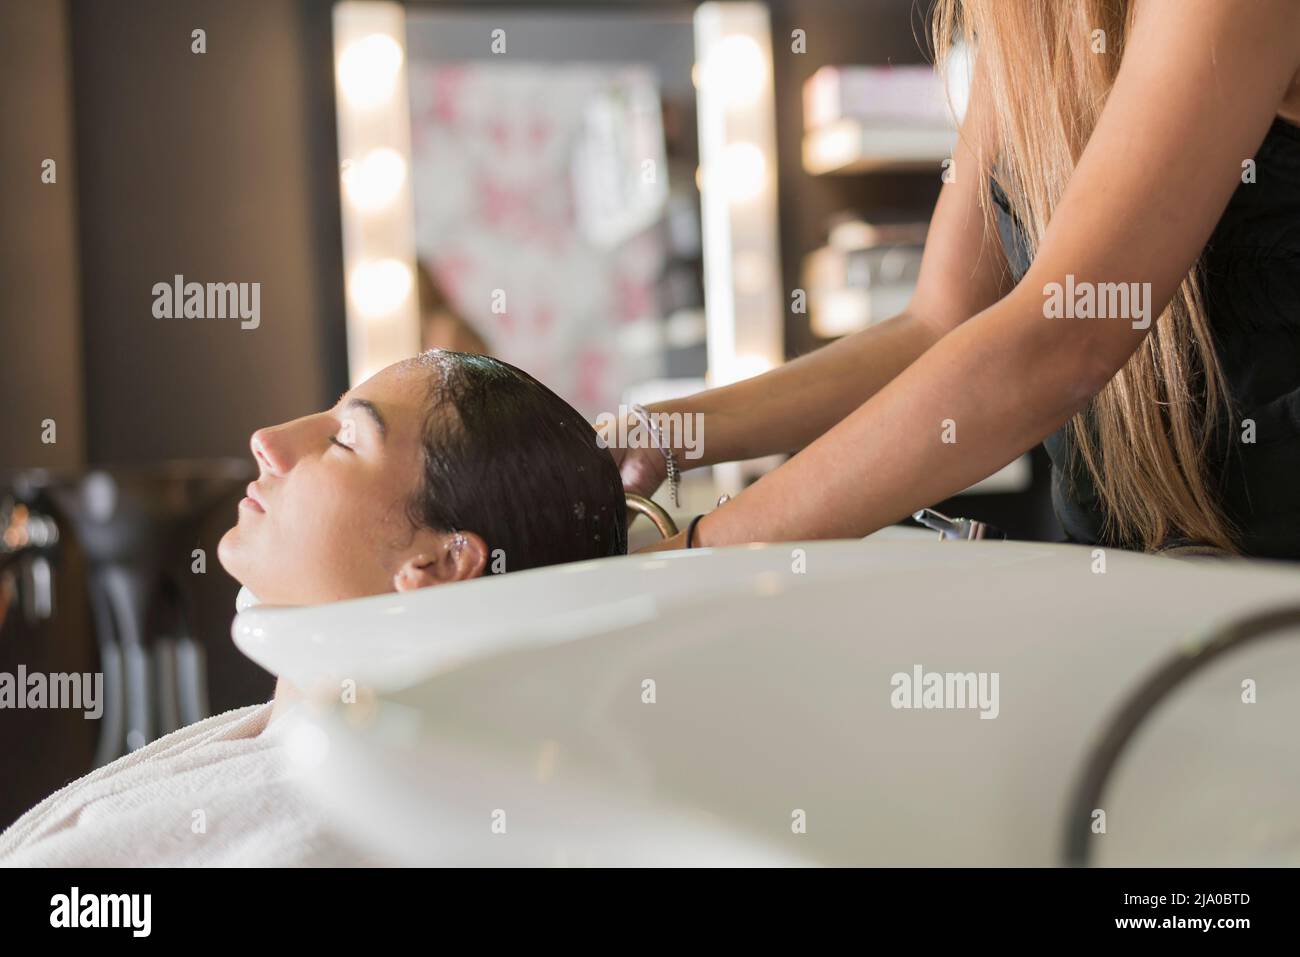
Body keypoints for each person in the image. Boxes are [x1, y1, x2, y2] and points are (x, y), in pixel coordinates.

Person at [613, 0, 1300, 559]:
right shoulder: (1027, 23)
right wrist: (665, 433)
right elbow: (934, 325)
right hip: (1121, 586)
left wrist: (706, 550)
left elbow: (1061, 341)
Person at [0, 351, 626, 866]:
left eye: (345, 439)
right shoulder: (277, 749)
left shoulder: (330, 839)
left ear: (437, 563)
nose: (267, 441)